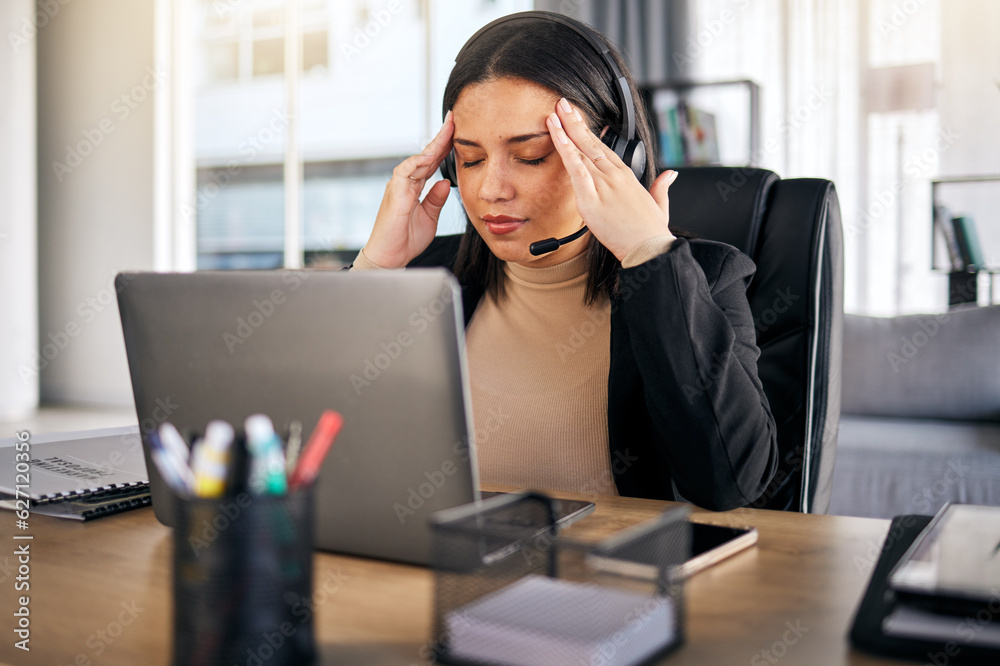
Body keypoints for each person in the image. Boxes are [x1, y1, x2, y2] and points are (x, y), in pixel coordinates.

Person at [351, 11, 777, 511]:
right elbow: (309, 456)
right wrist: (373, 273)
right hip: (437, 578)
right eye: (469, 159)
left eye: (531, 155)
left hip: (617, 582)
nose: (490, 189)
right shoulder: (427, 279)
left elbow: (729, 483)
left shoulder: (702, 279)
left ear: (617, 153)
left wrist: (648, 256)